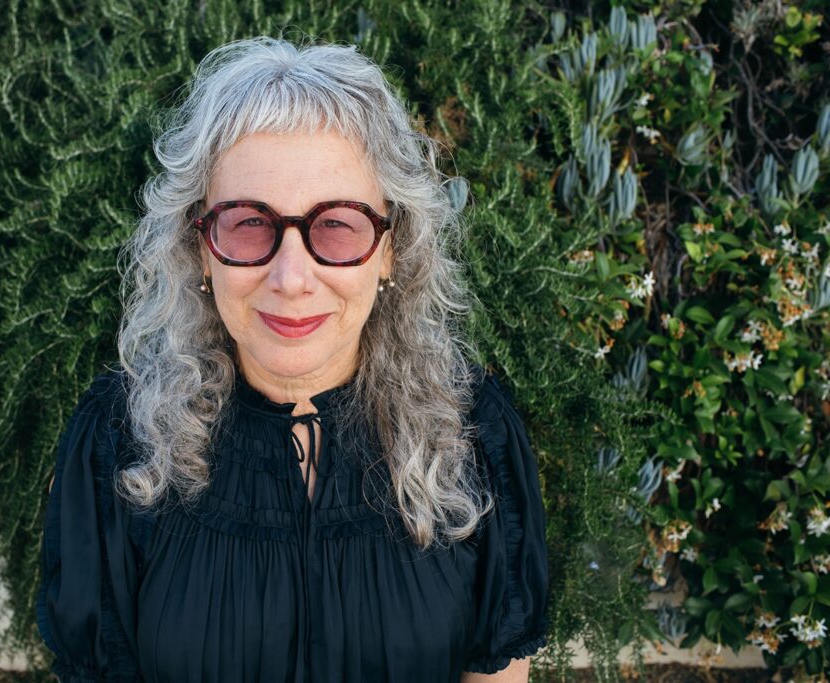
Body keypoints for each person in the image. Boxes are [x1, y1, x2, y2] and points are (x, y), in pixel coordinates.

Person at [37, 36, 549, 683]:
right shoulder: (116, 447)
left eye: (336, 225)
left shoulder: (476, 435)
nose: (291, 277)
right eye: (248, 223)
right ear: (201, 245)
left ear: (390, 248)